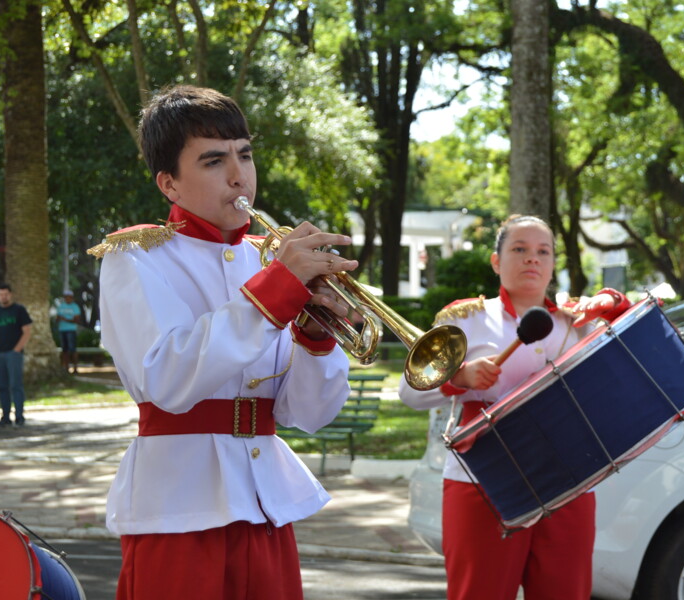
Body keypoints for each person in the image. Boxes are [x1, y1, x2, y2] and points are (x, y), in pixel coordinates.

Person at [88, 84, 358, 600]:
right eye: (214, 161)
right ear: (169, 184)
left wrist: (316, 338)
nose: (239, 176)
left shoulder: (272, 261)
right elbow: (165, 377)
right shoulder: (135, 256)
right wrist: (277, 293)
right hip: (176, 508)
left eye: (245, 154)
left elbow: (309, 413)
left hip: (266, 505)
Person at [399, 214, 631, 600]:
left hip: (566, 482)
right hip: (484, 481)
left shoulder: (578, 321)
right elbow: (410, 393)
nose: (532, 260)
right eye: (519, 250)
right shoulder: (467, 320)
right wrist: (461, 378)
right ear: (496, 261)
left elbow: (631, 344)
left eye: (543, 252)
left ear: (554, 263)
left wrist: (611, 301)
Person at [0, 283, 33, 427]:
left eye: (6, 294)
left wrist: (16, 350)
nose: (3, 296)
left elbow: (26, 331)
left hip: (13, 354)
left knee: (16, 385)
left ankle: (19, 416)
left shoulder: (19, 310)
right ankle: (5, 417)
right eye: (1, 294)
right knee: (2, 387)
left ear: (11, 294)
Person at [56, 290, 81, 374]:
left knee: (73, 350)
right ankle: (66, 368)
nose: (67, 298)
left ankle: (75, 369)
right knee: (64, 351)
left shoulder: (75, 307)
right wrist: (59, 319)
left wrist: (65, 319)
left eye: (69, 297)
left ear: (72, 298)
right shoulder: (61, 306)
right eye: (66, 297)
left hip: (71, 330)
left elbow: (77, 320)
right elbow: (57, 318)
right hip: (62, 330)